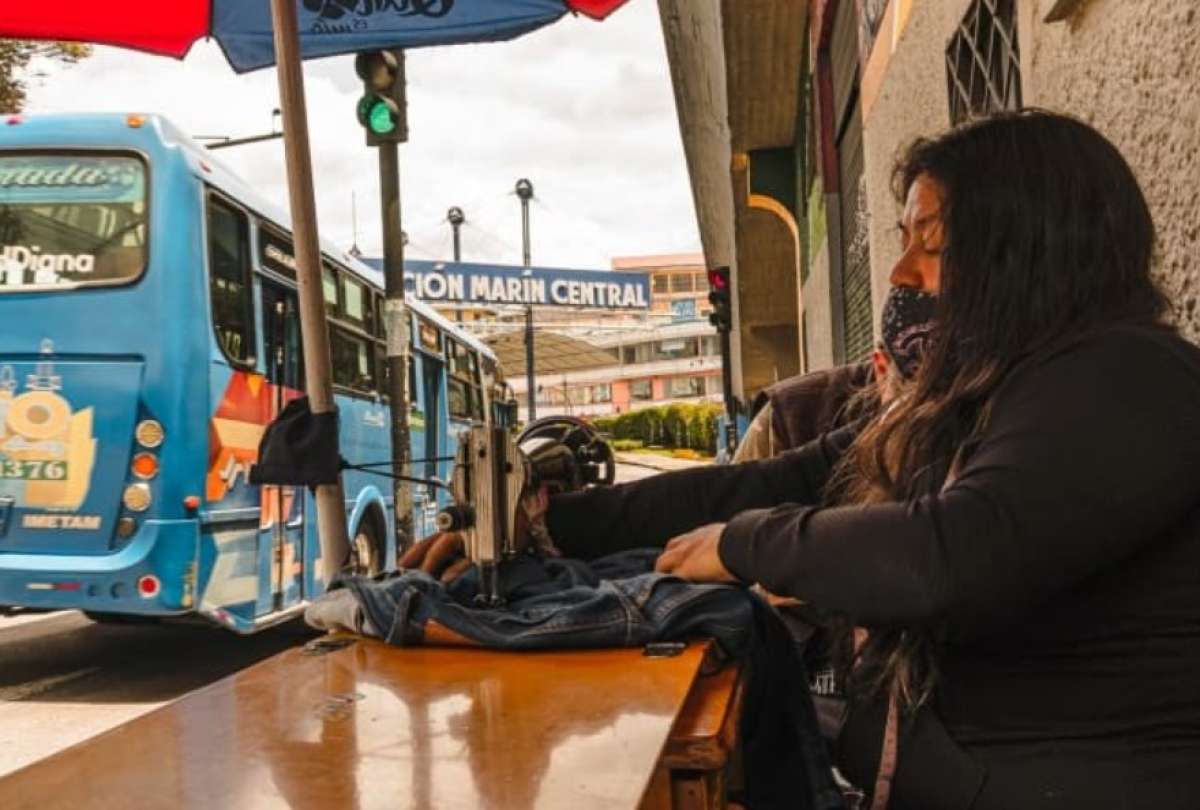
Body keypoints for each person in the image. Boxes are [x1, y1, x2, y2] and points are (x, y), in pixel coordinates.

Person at [402, 110, 1200, 809]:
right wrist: (543, 525)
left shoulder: (1127, 378)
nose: (901, 274)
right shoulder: (972, 408)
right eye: (903, 240)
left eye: (934, 241)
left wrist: (751, 542)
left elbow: (952, 554)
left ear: (1026, 253)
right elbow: (772, 479)